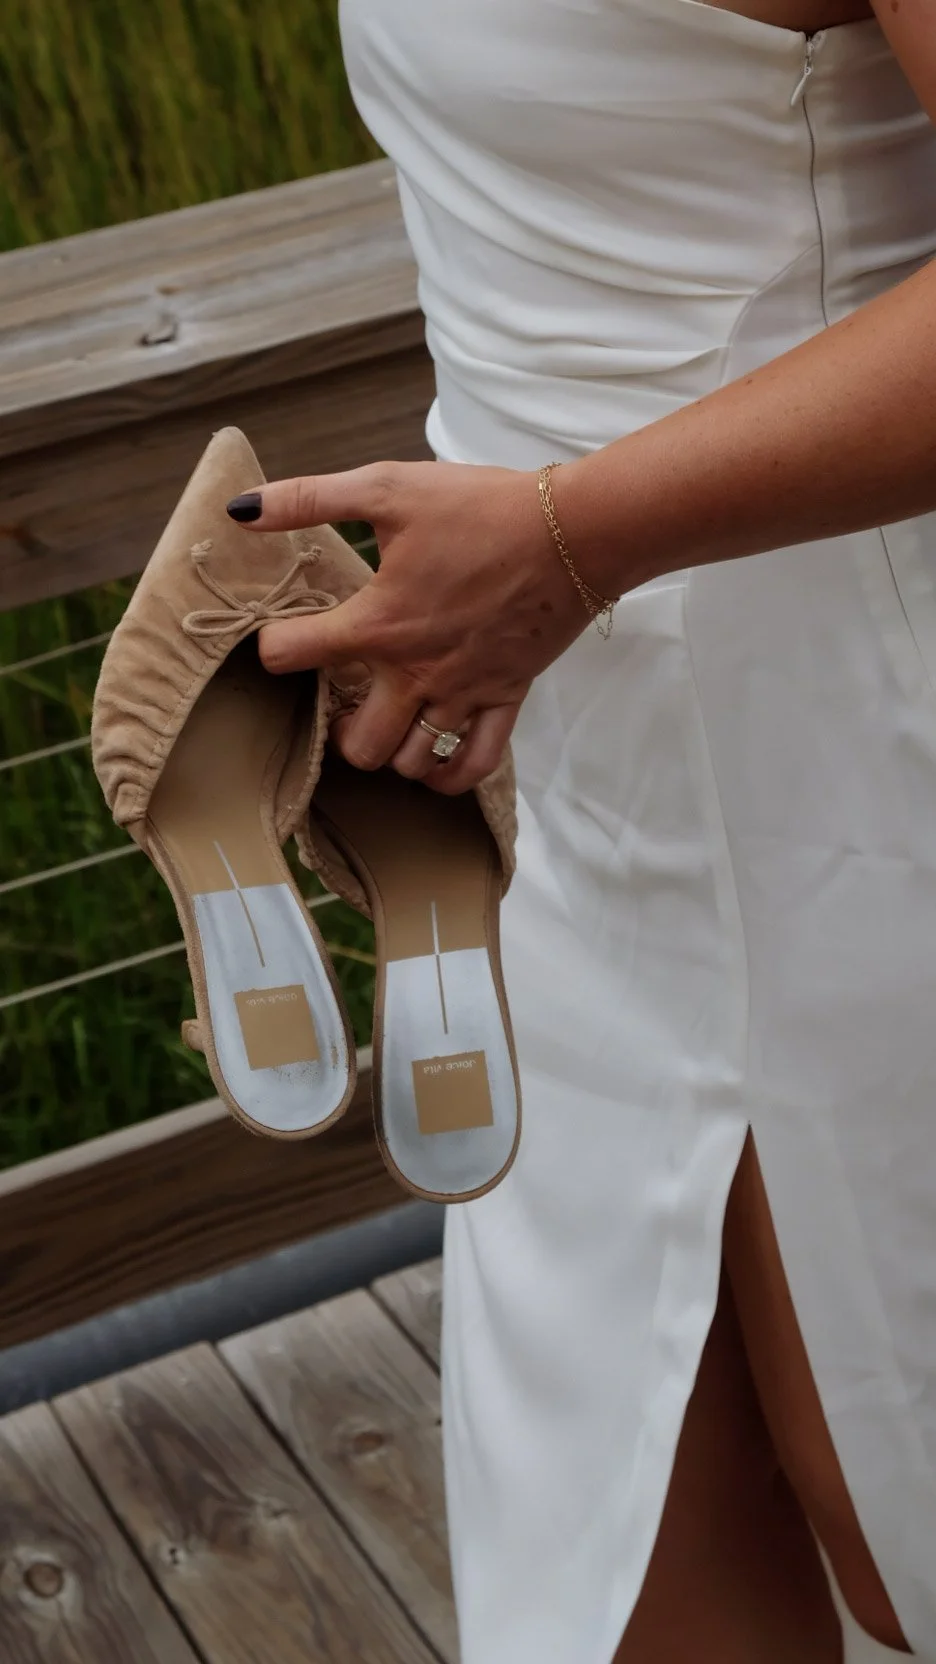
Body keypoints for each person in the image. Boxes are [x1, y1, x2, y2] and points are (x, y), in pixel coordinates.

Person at [225, 1, 936, 1657]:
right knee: (612, 1550)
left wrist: (572, 536)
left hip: (861, 741)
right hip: (565, 778)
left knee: (891, 1499)